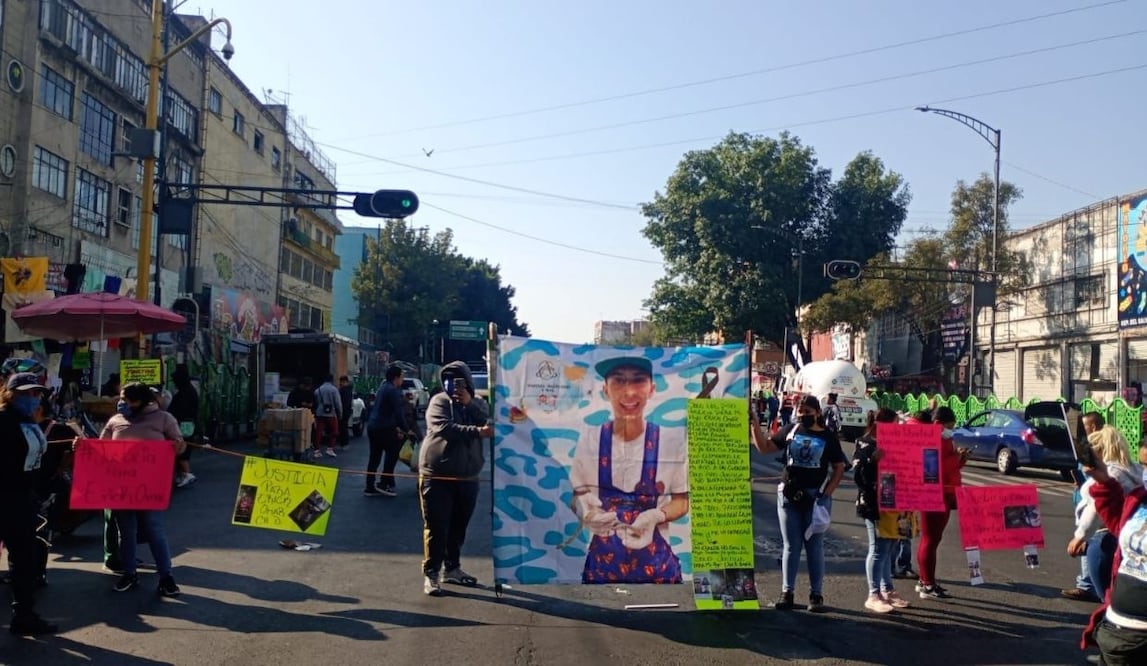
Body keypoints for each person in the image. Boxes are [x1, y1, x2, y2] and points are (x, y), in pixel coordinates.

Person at [571, 357, 689, 585]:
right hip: (602, 564)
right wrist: (586, 513)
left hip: (658, 566)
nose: (629, 392)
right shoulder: (590, 440)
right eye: (619, 381)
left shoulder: (670, 442)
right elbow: (577, 495)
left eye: (638, 381)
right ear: (606, 390)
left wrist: (655, 515)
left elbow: (682, 501)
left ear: (651, 389)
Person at [751, 394, 847, 612]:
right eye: (800, 411)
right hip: (788, 495)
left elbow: (839, 466)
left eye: (807, 412)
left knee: (814, 547)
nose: (803, 415)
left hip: (815, 498)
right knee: (791, 546)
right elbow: (765, 448)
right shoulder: (790, 431)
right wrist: (754, 424)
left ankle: (816, 595)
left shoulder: (829, 437)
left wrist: (827, 492)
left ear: (818, 413)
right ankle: (788, 592)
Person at [101, 382, 186, 597]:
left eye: (127, 400)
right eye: (121, 399)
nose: (122, 403)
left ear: (141, 401)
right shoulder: (116, 420)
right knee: (126, 533)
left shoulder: (164, 419)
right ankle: (130, 574)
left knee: (154, 531)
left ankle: (166, 577)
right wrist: (81, 447)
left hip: (150, 488)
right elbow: (100, 448)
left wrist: (176, 445)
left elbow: (180, 445)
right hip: (121, 487)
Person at [418, 362, 493, 596]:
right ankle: (431, 574)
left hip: (468, 476)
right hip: (437, 475)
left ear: (468, 383)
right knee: (437, 527)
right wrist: (478, 432)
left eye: (459, 380)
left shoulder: (478, 402)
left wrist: (470, 403)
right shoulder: (439, 401)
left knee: (459, 526)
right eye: (449, 380)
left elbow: (488, 419)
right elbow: (444, 428)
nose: (454, 385)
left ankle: (452, 568)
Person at [0, 373, 57, 635]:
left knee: (24, 560)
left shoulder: (29, 422)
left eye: (36, 394)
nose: (33, 398)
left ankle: (24, 615)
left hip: (22, 500)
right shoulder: (3, 421)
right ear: (10, 394)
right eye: (26, 394)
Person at [1066, 414, 1142, 603]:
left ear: (1100, 450)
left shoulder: (1111, 472)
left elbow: (1096, 507)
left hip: (1103, 537)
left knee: (1108, 600)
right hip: (1125, 536)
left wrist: (1080, 535)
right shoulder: (1133, 468)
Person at [1080, 453, 1147, 664]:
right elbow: (1120, 524)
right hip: (1115, 632)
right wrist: (1104, 482)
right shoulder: (1140, 499)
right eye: (1144, 464)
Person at [853, 408, 913, 613]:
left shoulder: (895, 443)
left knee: (889, 547)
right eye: (895, 423)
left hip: (893, 501)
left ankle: (887, 589)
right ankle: (873, 594)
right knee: (878, 548)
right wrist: (872, 462)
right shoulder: (865, 443)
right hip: (873, 503)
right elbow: (858, 477)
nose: (898, 428)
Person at [916, 405, 970, 600]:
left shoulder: (943, 439)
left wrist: (960, 458)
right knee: (931, 539)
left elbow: (950, 466)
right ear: (939, 423)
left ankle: (925, 580)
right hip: (934, 494)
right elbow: (936, 468)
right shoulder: (934, 439)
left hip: (944, 493)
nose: (952, 429)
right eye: (950, 425)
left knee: (932, 539)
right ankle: (927, 584)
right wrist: (957, 457)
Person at [366, 366, 407, 497]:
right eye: (402, 377)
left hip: (373, 426)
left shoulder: (383, 388)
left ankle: (369, 486)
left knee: (374, 457)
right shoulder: (393, 391)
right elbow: (398, 413)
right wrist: (407, 430)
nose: (403, 380)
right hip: (384, 427)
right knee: (393, 452)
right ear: (396, 378)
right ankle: (385, 483)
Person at [167, 366, 199, 489]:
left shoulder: (185, 392)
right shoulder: (189, 390)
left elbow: (179, 410)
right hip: (188, 423)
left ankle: (187, 473)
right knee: (183, 447)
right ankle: (183, 473)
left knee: (182, 448)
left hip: (184, 424)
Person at [311, 375, 342, 459]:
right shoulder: (334, 390)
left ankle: (317, 450)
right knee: (334, 431)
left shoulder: (318, 390)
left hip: (320, 413)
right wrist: (340, 413)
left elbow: (316, 401)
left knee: (318, 432)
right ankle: (330, 448)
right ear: (331, 380)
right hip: (331, 413)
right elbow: (338, 403)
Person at [337, 375, 354, 448]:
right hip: (346, 411)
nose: (340, 383)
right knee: (343, 426)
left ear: (345, 382)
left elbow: (344, 402)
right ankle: (344, 442)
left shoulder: (345, 390)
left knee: (343, 427)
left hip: (344, 410)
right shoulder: (348, 389)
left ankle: (344, 443)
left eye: (342, 382)